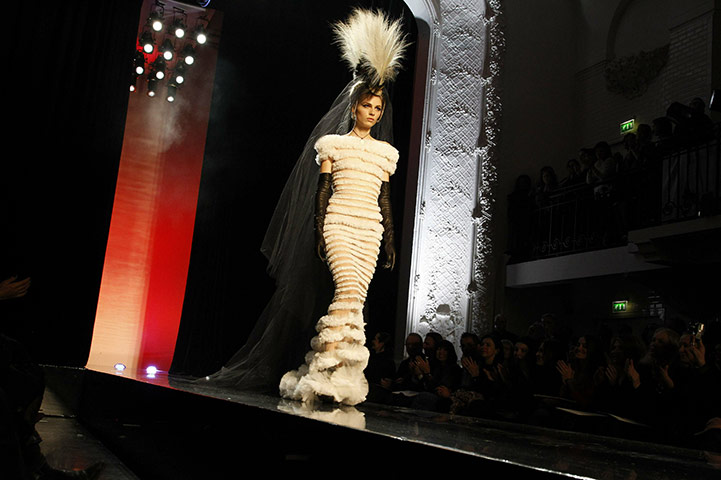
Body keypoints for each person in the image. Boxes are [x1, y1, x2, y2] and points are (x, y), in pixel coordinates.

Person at [204, 9, 408, 407]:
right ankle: (324, 374)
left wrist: (391, 239)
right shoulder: (332, 145)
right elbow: (322, 191)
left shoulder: (386, 154)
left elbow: (384, 198)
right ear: (354, 107)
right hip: (338, 224)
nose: (373, 112)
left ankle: (331, 374)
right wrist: (319, 230)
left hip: (370, 229)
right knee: (347, 291)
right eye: (368, 106)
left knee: (355, 299)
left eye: (378, 108)